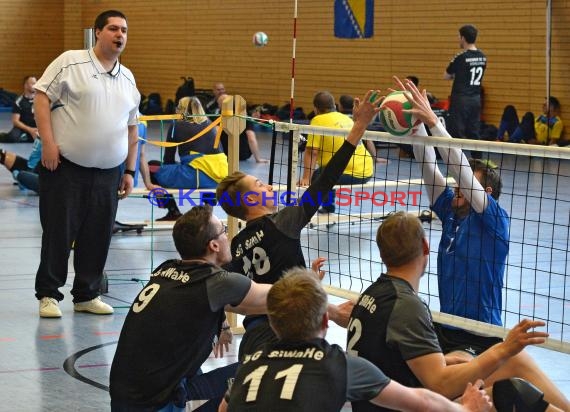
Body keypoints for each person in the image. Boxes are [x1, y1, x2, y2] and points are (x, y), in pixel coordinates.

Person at [216, 90, 382, 359]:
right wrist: (359, 126)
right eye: (260, 185)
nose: (268, 185)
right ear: (249, 199)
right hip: (288, 332)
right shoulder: (284, 222)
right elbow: (326, 178)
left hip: (254, 337)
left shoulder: (237, 243)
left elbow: (230, 289)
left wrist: (305, 278)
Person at [348, 211, 570, 411]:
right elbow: (441, 385)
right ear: (426, 247)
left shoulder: (373, 293)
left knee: (511, 362)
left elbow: (391, 359)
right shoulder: (406, 306)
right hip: (405, 405)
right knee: (509, 392)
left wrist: (450, 361)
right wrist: (504, 349)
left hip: (387, 400)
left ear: (382, 253)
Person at [221, 269, 492, 412]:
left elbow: (225, 408)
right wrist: (466, 408)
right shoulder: (338, 364)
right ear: (326, 322)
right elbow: (421, 403)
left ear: (273, 324)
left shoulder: (249, 365)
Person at [110, 205, 273, 412]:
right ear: (214, 245)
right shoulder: (218, 283)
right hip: (156, 404)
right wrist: (312, 285)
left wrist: (222, 324)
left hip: (127, 398)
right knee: (264, 372)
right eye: (224, 230)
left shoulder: (166, 269)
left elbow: (226, 304)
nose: (228, 235)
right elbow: (282, 298)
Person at [33, 10, 140, 318]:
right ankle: (49, 295)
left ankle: (86, 294)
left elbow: (132, 128)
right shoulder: (70, 62)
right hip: (65, 168)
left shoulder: (128, 77)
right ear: (97, 32)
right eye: (113, 29)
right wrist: (48, 143)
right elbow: (41, 97)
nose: (120, 35)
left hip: (109, 173)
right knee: (59, 231)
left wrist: (130, 170)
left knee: (98, 233)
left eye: (124, 30)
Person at [148, 96, 229, 221]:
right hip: (220, 177)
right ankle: (207, 211)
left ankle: (172, 210)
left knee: (152, 166)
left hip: (197, 176)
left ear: (181, 109)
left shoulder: (177, 124)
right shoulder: (212, 125)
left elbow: (168, 159)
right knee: (203, 169)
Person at [299, 91, 374, 214]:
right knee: (327, 171)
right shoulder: (346, 118)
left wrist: (306, 178)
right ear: (335, 106)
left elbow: (312, 152)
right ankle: (328, 206)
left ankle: (306, 210)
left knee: (318, 176)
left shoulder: (317, 120)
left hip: (352, 173)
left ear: (315, 109)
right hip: (367, 170)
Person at [444, 24, 487, 159]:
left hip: (461, 100)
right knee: (474, 132)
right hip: (475, 99)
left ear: (463, 38)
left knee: (456, 132)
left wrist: (457, 75)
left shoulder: (461, 57)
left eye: (459, 36)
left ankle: (457, 163)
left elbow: (446, 76)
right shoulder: (482, 57)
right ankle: (479, 163)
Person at [217, 94, 268, 163]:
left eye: (219, 104)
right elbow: (251, 139)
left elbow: (214, 136)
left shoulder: (219, 118)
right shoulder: (245, 118)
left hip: (224, 154)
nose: (218, 106)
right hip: (242, 155)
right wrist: (258, 159)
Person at [0, 75, 38, 143]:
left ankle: (27, 137)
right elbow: (15, 121)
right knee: (12, 137)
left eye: (36, 83)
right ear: (26, 85)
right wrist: (30, 130)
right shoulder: (19, 101)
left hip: (37, 127)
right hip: (23, 127)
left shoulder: (40, 100)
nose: (35, 85)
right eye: (32, 83)